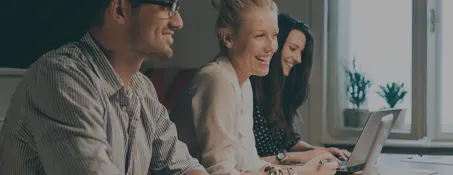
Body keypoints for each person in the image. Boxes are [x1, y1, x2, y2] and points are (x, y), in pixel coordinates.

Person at [0, 0, 208, 175]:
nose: (178, 22)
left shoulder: (143, 88)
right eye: (168, 6)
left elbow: (183, 166)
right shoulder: (60, 77)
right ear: (120, 10)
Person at [170, 1, 339, 175]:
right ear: (228, 38)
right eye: (259, 36)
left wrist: (304, 169)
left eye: (274, 35)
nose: (272, 47)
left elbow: (250, 164)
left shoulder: (244, 83)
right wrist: (301, 173)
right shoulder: (217, 78)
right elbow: (221, 172)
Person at [250, 13, 351, 165]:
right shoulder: (249, 91)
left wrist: (322, 151)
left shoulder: (277, 91)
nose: (298, 59)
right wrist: (304, 157)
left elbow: (289, 142)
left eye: (301, 52)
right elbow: (246, 163)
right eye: (292, 48)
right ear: (275, 46)